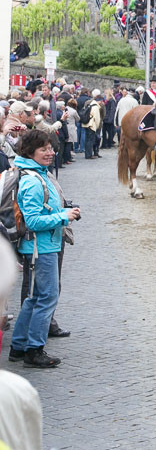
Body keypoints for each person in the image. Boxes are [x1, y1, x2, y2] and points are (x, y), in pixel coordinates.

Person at [8, 130, 81, 367]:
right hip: (41, 248)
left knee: (34, 298)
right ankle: (34, 350)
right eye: (44, 150)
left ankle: (18, 346)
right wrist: (64, 216)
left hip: (40, 246)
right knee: (46, 297)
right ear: (30, 152)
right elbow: (34, 221)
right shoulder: (32, 180)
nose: (50, 153)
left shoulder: (36, 174)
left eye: (51, 148)